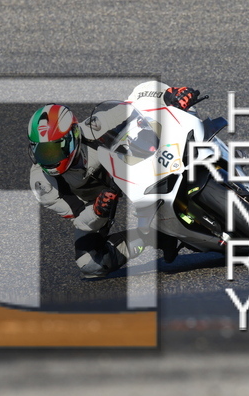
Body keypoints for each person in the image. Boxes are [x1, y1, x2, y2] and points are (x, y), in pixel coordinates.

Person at [28, 82, 200, 278]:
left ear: (73, 136)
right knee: (90, 264)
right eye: (41, 151)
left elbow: (135, 106)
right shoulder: (43, 184)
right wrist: (97, 211)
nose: (48, 159)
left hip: (129, 167)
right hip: (94, 202)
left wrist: (171, 96)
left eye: (53, 150)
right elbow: (80, 220)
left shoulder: (95, 126)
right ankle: (155, 237)